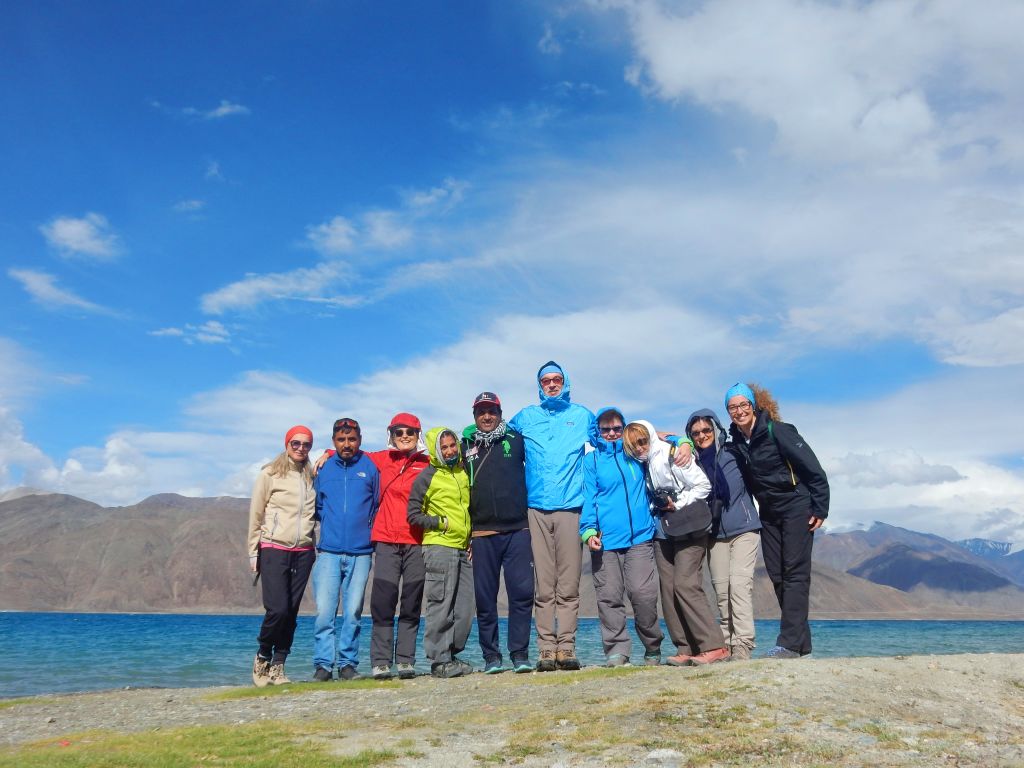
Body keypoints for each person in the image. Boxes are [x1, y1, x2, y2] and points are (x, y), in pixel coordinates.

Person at [724, 382, 830, 658]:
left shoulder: (778, 432)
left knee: (795, 573)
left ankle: (790, 644)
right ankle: (801, 643)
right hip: (769, 513)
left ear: (753, 405)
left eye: (743, 405)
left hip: (797, 506)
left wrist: (820, 507)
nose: (739, 411)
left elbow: (813, 469)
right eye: (733, 407)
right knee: (777, 574)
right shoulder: (737, 442)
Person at [509, 361, 594, 671]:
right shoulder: (526, 417)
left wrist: (675, 440)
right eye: (546, 381)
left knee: (568, 584)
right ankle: (546, 649)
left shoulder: (582, 416)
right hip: (536, 510)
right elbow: (495, 439)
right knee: (544, 585)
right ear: (539, 385)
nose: (552, 384)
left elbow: (615, 438)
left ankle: (567, 648)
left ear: (566, 382)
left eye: (557, 379)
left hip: (572, 507)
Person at [622, 420, 726, 666]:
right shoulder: (644, 463)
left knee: (685, 585)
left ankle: (714, 646)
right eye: (633, 445)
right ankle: (685, 647)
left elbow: (703, 485)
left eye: (642, 441)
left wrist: (677, 503)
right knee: (668, 591)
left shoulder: (672, 454)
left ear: (649, 438)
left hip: (690, 528)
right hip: (663, 532)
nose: (639, 448)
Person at [580, 408, 664, 667]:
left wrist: (681, 441)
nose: (612, 433)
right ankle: (617, 651)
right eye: (606, 429)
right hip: (605, 542)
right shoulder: (591, 462)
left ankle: (652, 646)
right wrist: (588, 531)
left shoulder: (636, 455)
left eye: (617, 428)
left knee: (643, 595)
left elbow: (662, 446)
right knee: (609, 596)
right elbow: (588, 498)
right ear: (598, 432)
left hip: (639, 537)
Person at [462, 392, 534, 674]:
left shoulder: (516, 440)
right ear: (475, 416)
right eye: (481, 412)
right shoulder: (465, 443)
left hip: (518, 529)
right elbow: (438, 458)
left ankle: (520, 654)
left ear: (500, 413)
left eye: (492, 411)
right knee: (485, 597)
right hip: (481, 534)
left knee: (522, 592)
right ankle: (491, 656)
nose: (487, 416)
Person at [685, 408, 761, 661]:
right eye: (695, 433)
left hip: (744, 528)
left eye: (706, 430)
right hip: (714, 533)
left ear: (715, 429)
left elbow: (757, 478)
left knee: (739, 585)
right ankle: (727, 644)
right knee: (722, 591)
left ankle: (744, 644)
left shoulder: (733, 452)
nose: (702, 435)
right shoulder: (691, 463)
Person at [248, 425, 317, 686]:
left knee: (291, 612)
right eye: (295, 443)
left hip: (304, 551)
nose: (301, 448)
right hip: (273, 547)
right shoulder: (270, 473)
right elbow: (256, 514)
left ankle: (279, 666)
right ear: (287, 444)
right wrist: (253, 551)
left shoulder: (311, 476)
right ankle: (263, 655)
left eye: (306, 444)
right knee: (277, 609)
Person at [311, 418, 379, 681]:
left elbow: (374, 504)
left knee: (352, 612)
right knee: (324, 614)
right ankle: (323, 666)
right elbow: (317, 507)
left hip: (361, 552)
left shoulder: (370, 467)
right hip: (328, 552)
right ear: (333, 442)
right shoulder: (324, 469)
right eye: (341, 440)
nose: (347, 444)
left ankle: (348, 665)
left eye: (352, 439)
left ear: (359, 440)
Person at [366, 413, 431, 679]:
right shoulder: (382, 459)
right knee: (383, 602)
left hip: (416, 541)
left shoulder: (428, 463)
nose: (404, 436)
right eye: (399, 432)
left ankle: (405, 660)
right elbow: (350, 454)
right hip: (386, 540)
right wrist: (325, 453)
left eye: (410, 432)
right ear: (391, 435)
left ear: (418, 435)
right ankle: (381, 661)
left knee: (411, 602)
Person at [407, 427, 475, 678]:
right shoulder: (427, 476)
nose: (449, 450)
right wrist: (441, 523)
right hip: (439, 545)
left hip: (462, 547)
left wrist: (470, 536)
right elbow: (413, 514)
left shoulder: (462, 472)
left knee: (465, 606)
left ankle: (452, 654)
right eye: (443, 447)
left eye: (452, 445)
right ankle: (439, 660)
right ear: (436, 449)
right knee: (441, 603)